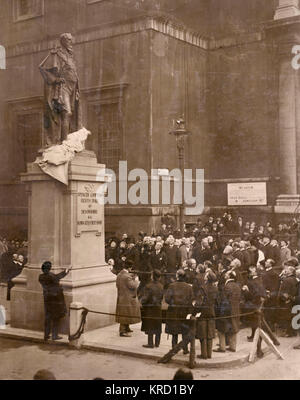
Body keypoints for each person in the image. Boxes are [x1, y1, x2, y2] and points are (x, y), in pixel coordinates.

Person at [39, 33, 82, 145]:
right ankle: (64, 143)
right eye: (68, 40)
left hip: (73, 89)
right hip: (62, 88)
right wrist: (56, 79)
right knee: (66, 112)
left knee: (72, 115)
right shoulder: (56, 54)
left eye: (71, 40)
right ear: (63, 41)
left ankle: (68, 141)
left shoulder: (71, 57)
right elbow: (42, 68)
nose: (71, 42)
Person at [38, 261, 71, 341]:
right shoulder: (51, 276)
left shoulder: (41, 276)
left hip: (47, 298)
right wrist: (67, 270)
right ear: (49, 268)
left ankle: (46, 335)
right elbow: (58, 277)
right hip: (55, 299)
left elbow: (56, 277)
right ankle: (54, 335)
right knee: (56, 318)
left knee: (48, 317)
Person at [165, 269, 194, 354]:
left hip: (174, 311)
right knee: (184, 331)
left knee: (174, 332)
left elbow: (167, 299)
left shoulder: (172, 286)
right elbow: (192, 299)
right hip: (184, 312)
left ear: (177, 276)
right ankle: (185, 349)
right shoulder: (189, 287)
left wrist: (173, 303)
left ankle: (174, 349)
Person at [214, 270, 241, 353]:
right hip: (236, 309)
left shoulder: (227, 287)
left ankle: (222, 347)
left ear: (229, 277)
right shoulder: (237, 286)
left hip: (227, 310)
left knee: (221, 328)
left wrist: (220, 312)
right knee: (234, 327)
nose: (225, 275)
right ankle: (233, 347)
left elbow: (224, 300)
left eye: (226, 274)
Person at [195, 270, 218, 359]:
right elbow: (217, 302)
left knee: (202, 334)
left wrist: (196, 310)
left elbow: (199, 303)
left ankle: (203, 354)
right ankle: (209, 354)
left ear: (207, 278)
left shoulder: (203, 288)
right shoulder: (215, 289)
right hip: (211, 312)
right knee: (210, 334)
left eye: (206, 275)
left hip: (203, 313)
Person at [115, 260, 141, 337]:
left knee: (125, 313)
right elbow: (133, 286)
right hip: (127, 298)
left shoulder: (119, 274)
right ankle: (122, 331)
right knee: (126, 314)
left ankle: (126, 327)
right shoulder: (127, 277)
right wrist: (136, 281)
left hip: (122, 296)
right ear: (130, 268)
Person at [140, 269, 164, 348]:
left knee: (150, 325)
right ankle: (157, 343)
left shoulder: (148, 286)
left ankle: (150, 343)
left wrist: (141, 302)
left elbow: (145, 298)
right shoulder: (161, 286)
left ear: (152, 276)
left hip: (150, 308)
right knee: (157, 325)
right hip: (158, 308)